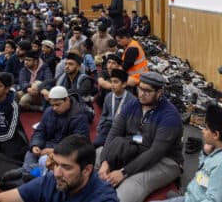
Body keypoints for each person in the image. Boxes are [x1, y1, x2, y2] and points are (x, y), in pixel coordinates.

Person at [99, 72, 183, 202]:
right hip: (137, 149)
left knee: (132, 184)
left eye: (147, 91)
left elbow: (155, 152)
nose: (141, 94)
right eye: (140, 88)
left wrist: (124, 172)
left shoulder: (170, 116)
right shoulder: (132, 104)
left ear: (159, 92)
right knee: (97, 154)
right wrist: (105, 161)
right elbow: (114, 133)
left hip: (165, 160)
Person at [0, 135, 119, 202]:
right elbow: (0, 199)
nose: (57, 173)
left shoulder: (103, 198)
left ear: (87, 170)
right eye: (56, 164)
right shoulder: (51, 180)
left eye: (66, 167)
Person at [4, 86, 92, 185]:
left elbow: (79, 144)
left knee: (45, 162)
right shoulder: (49, 111)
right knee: (31, 153)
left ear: (67, 100)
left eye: (58, 104)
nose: (54, 108)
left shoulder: (79, 116)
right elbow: (40, 131)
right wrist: (36, 145)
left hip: (64, 152)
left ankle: (25, 172)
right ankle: (31, 174)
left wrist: (54, 151)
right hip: (45, 147)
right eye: (52, 105)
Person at [157, 104, 222, 202]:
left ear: (216, 135)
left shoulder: (220, 164)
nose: (203, 131)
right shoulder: (214, 152)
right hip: (190, 197)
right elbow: (203, 172)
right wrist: (205, 154)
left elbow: (212, 200)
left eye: (206, 128)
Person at [0, 72, 29, 175]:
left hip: (9, 139)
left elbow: (10, 134)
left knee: (11, 159)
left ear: (7, 89)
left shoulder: (13, 106)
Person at [94, 68, 134, 148]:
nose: (112, 85)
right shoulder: (108, 96)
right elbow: (104, 115)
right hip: (108, 126)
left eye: (115, 82)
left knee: (116, 148)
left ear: (124, 84)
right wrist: (99, 128)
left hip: (122, 129)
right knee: (96, 144)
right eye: (111, 81)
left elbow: (132, 122)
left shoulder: (132, 100)